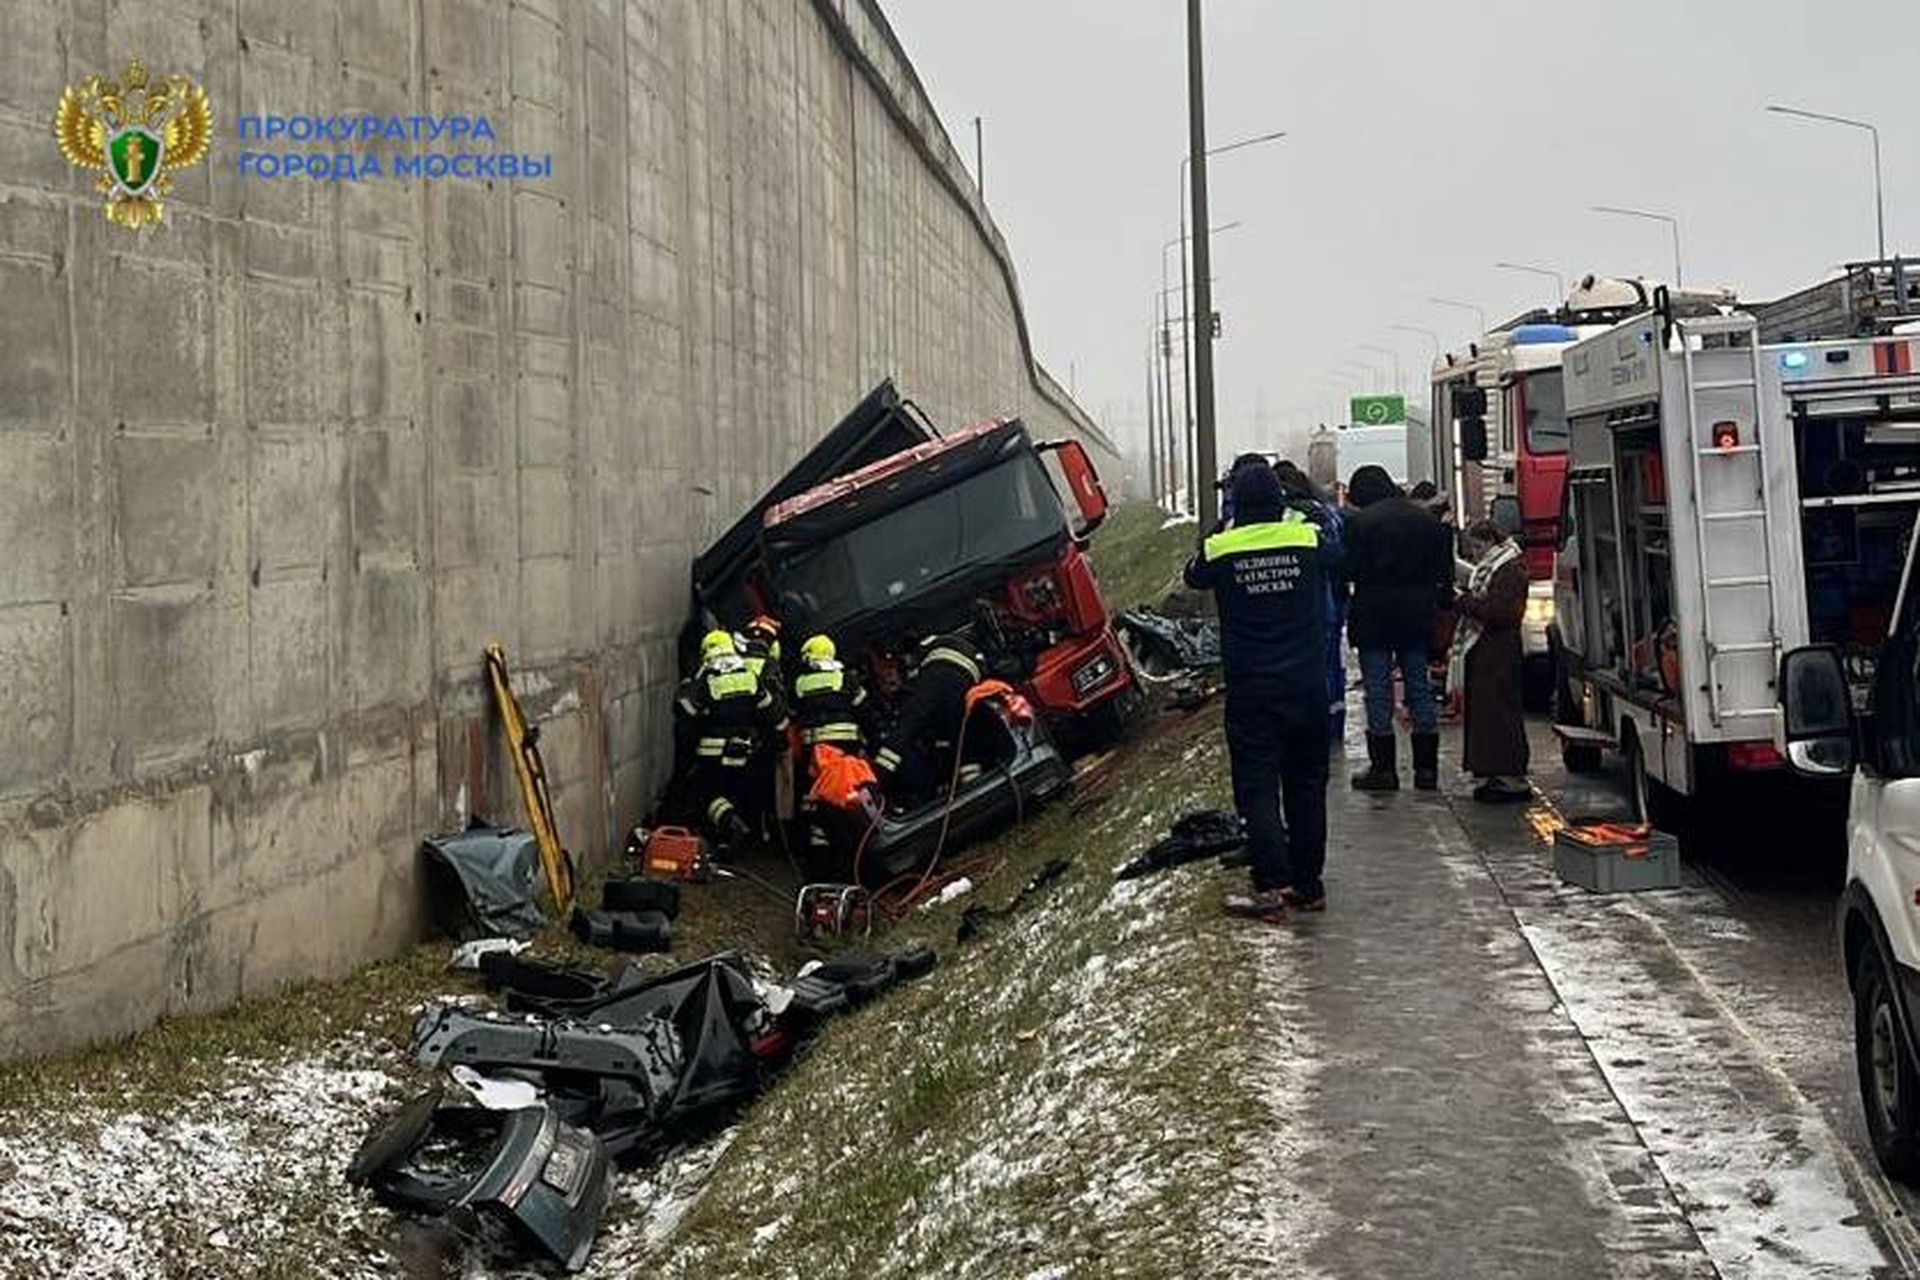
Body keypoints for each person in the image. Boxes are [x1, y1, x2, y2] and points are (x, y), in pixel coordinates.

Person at [1183, 463, 1331, 921]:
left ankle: (1272, 885)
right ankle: (1309, 886)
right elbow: (1339, 553)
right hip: (1307, 686)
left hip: (1253, 690)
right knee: (1307, 788)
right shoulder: (1306, 539)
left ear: (1237, 504)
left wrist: (1223, 530)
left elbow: (1194, 576)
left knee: (1258, 788)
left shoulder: (1222, 547)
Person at [1343, 464, 1452, 792]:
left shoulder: (1359, 524)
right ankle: (1426, 771)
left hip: (1373, 615)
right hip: (1416, 614)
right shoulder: (1426, 522)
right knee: (1419, 688)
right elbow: (1442, 573)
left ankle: (1384, 770)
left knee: (1378, 690)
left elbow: (1348, 569)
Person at [673, 629, 786, 853]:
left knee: (702, 793)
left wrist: (687, 685)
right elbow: (772, 712)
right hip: (746, 751)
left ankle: (731, 825)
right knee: (737, 794)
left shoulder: (709, 677)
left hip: (713, 752)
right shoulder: (749, 675)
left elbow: (686, 710)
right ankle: (737, 840)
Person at [1452, 519, 1531, 803]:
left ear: (1491, 542)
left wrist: (1463, 602)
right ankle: (1496, 774)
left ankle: (1506, 775)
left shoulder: (1507, 569)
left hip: (1497, 650)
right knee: (1492, 710)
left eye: (1477, 545)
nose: (1474, 553)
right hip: (1492, 650)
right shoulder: (1503, 565)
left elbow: (1500, 611)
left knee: (1497, 712)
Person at [1275, 459, 1349, 745]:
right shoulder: (1328, 511)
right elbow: (1339, 553)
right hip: (1333, 596)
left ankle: (1315, 726)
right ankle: (1334, 724)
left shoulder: (1292, 516)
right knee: (1332, 662)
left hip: (1311, 599)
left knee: (1312, 664)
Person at [873, 633, 985, 805]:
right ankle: (979, 791)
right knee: (962, 736)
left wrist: (877, 779)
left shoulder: (918, 661)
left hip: (943, 677)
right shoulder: (942, 641)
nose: (890, 675)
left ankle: (877, 783)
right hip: (969, 681)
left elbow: (913, 711)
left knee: (908, 728)